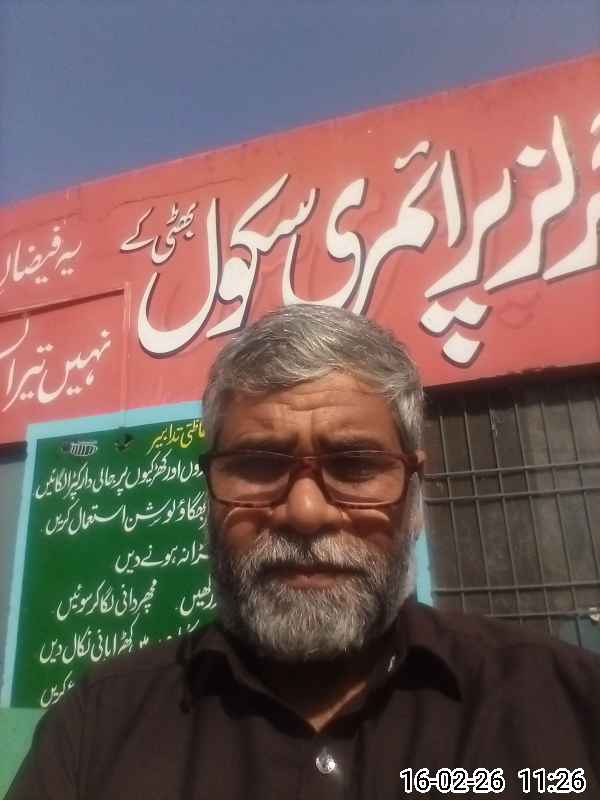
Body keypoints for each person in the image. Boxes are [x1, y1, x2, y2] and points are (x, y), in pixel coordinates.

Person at [7, 304, 600, 799]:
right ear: (209, 496)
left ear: (415, 491)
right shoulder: (96, 728)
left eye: (356, 465)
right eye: (258, 465)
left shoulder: (565, 707)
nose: (306, 512)